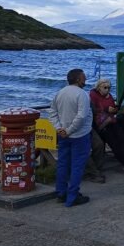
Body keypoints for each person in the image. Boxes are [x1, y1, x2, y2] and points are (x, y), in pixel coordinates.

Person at [49, 68, 92, 207]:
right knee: (77, 165)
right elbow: (82, 116)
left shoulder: (59, 93)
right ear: (78, 79)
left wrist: (59, 128)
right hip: (79, 135)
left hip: (63, 134)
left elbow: (52, 113)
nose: (85, 80)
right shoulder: (82, 94)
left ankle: (61, 192)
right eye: (84, 77)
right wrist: (69, 130)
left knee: (62, 163)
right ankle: (72, 196)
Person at [89, 78, 124, 174]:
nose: (107, 89)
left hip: (111, 121)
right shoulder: (93, 95)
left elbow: (113, 107)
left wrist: (114, 109)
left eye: (109, 87)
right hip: (100, 124)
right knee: (113, 141)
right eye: (105, 87)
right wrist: (105, 109)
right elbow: (92, 110)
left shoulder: (109, 96)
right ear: (99, 87)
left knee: (122, 138)